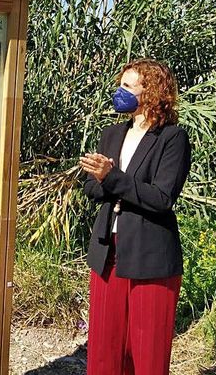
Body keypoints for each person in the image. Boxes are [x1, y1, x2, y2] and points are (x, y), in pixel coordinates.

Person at [79, 59, 192, 375]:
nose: (120, 92)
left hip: (150, 253)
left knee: (147, 352)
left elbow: (161, 198)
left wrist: (111, 179)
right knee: (104, 347)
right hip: (107, 249)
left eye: (128, 86)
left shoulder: (172, 138)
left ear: (152, 92)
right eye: (120, 85)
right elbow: (91, 188)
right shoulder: (112, 134)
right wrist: (105, 180)